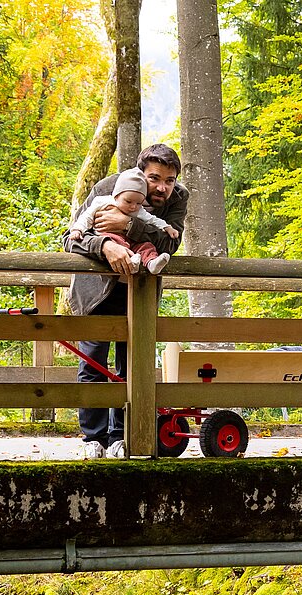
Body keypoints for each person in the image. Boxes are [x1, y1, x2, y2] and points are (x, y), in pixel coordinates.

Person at [64, 144, 188, 459]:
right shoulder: (106, 189)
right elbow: (71, 239)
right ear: (139, 173)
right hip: (97, 292)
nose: (162, 187)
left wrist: (128, 225)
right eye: (155, 178)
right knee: (93, 362)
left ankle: (122, 436)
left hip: (139, 294)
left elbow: (169, 244)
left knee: (131, 365)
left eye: (169, 180)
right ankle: (93, 438)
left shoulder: (176, 199)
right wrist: (105, 244)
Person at [67, 168, 177, 275]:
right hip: (109, 237)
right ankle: (132, 263)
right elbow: (86, 217)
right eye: (128, 201)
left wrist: (167, 227)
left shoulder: (138, 210)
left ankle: (151, 262)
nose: (133, 207)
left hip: (130, 241)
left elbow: (152, 219)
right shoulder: (102, 202)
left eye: (138, 203)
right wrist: (78, 230)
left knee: (146, 246)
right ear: (116, 195)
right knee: (116, 242)